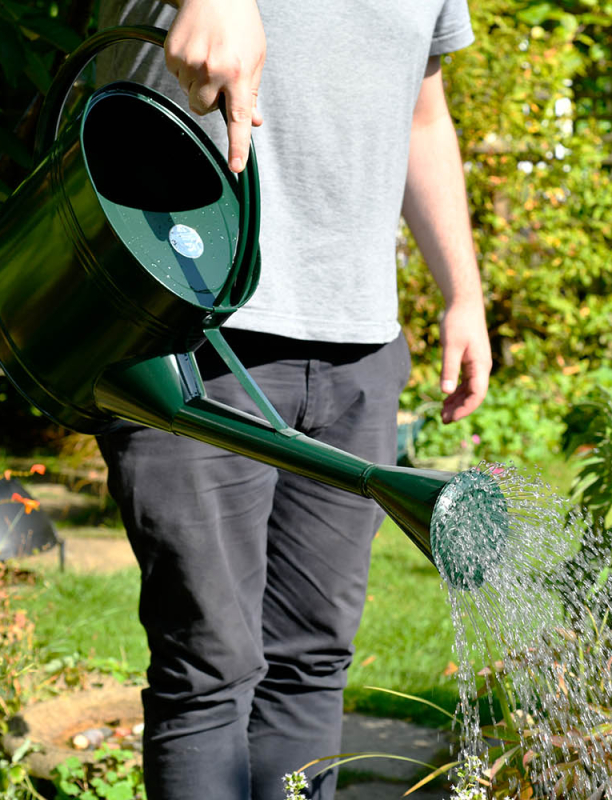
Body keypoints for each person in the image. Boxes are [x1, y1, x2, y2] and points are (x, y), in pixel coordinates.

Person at [95, 1, 491, 798]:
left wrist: (463, 294)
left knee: (312, 662)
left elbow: (421, 114)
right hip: (194, 331)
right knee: (208, 669)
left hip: (360, 347)